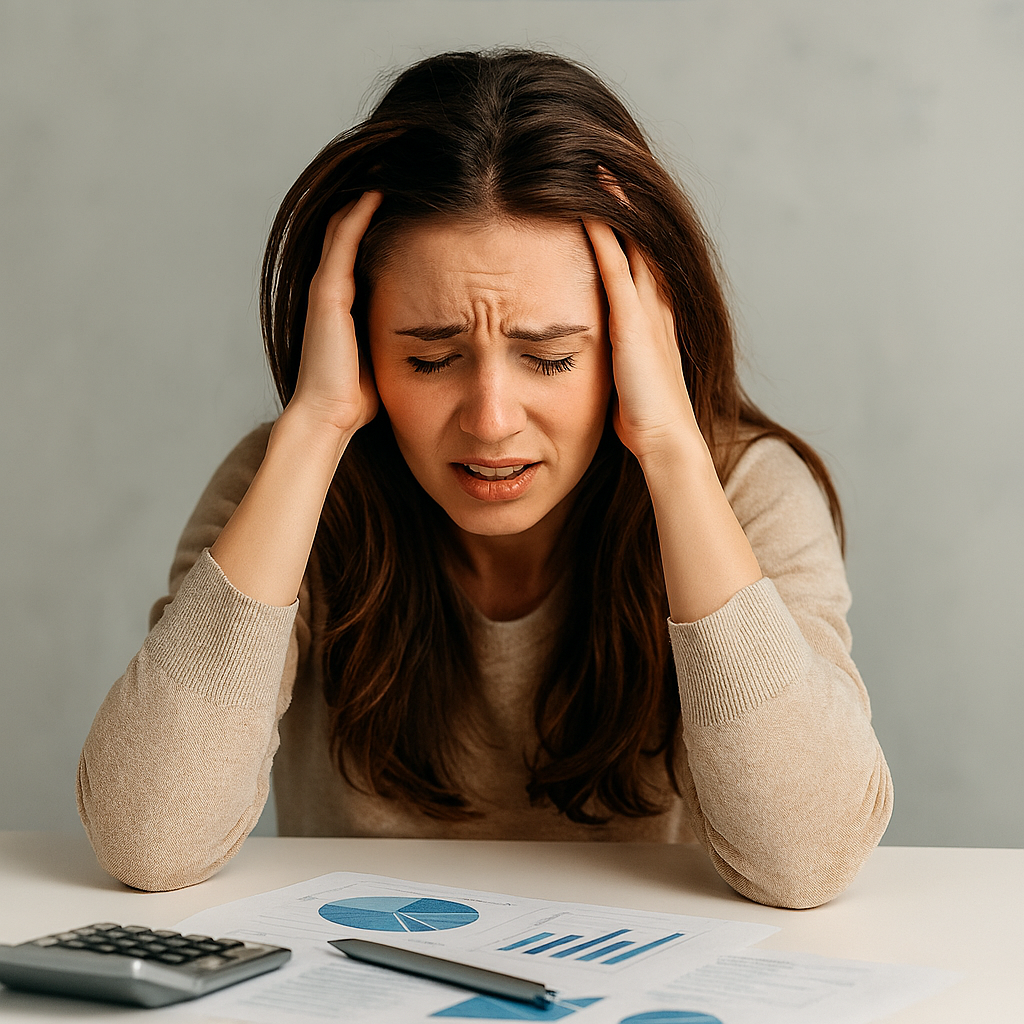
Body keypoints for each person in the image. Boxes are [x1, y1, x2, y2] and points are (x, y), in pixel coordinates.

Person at [77, 48, 892, 909]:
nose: (491, 418)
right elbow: (148, 842)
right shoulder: (290, 488)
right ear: (353, 340)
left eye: (550, 357)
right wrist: (313, 430)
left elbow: (809, 863)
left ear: (632, 343)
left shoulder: (746, 490)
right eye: (431, 359)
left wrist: (670, 446)